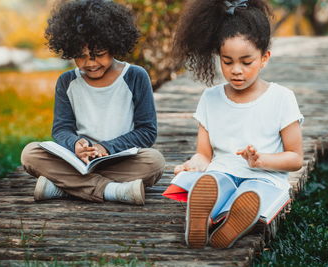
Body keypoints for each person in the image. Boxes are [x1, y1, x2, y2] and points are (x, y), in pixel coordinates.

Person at [171, 0, 304, 248]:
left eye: (246, 61)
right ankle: (204, 216)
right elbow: (204, 154)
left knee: (250, 194)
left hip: (264, 177)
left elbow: (295, 158)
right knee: (214, 182)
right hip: (222, 172)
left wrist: (260, 160)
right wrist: (193, 164)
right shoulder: (210, 98)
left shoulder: (281, 98)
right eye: (227, 61)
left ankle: (231, 221)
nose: (236, 71)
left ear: (264, 58)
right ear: (218, 57)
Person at [21, 0, 165, 206]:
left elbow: (147, 131)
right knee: (30, 154)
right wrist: (76, 144)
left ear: (114, 46)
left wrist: (107, 148)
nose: (90, 63)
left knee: (154, 162)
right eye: (81, 57)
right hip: (78, 162)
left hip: (120, 160)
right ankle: (112, 190)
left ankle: (63, 187)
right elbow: (61, 129)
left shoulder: (135, 76)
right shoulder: (67, 82)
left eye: (98, 55)